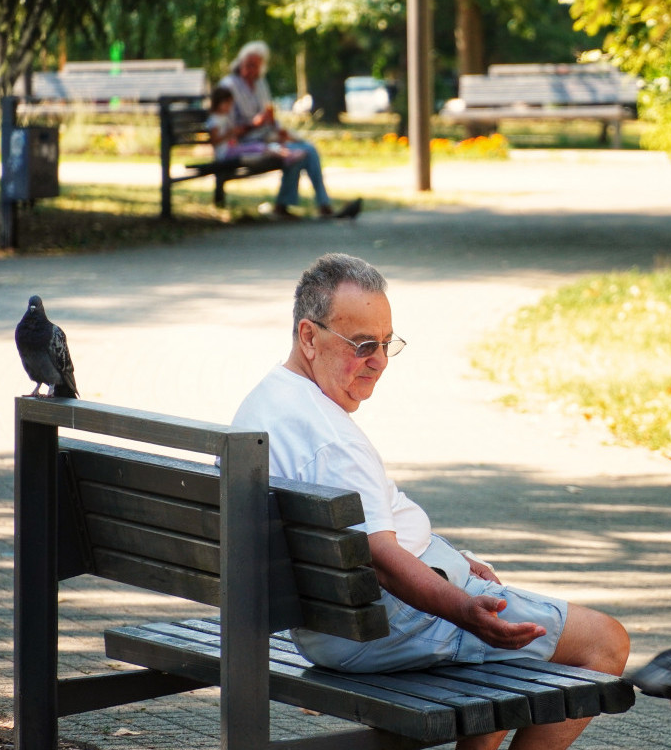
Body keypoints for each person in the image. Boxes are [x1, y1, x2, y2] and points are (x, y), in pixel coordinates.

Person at [231, 253, 630, 750]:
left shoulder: (269, 400)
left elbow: (368, 543)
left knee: (501, 658)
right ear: (309, 337)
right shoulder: (331, 442)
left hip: (328, 625)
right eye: (361, 345)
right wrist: (464, 608)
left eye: (384, 344)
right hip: (381, 626)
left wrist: (450, 561)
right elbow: (385, 562)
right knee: (604, 642)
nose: (377, 361)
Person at [218, 41, 357, 220]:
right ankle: (291, 206)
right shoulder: (228, 86)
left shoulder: (260, 83)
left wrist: (277, 129)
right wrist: (254, 124)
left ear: (262, 67)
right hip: (247, 143)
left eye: (255, 66)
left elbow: (268, 115)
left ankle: (322, 204)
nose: (250, 70)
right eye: (247, 64)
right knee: (298, 153)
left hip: (267, 137)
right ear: (240, 62)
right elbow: (227, 130)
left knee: (308, 149)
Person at [206, 85, 306, 165]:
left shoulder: (223, 118)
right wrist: (229, 134)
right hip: (225, 154)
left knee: (260, 147)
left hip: (230, 150)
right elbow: (215, 141)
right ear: (219, 103)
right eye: (227, 104)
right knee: (258, 148)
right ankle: (287, 156)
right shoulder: (215, 120)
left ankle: (286, 154)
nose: (229, 107)